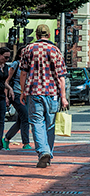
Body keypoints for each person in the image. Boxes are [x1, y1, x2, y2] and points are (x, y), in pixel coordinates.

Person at [20, 24, 69, 168]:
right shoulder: (55, 50)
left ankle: (43, 151)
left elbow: (23, 73)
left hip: (34, 91)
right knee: (50, 124)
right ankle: (48, 153)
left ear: (36, 35)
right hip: (52, 93)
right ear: (49, 35)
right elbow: (61, 77)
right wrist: (64, 96)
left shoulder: (29, 49)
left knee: (36, 123)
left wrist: (23, 91)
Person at [3, 55, 31, 150]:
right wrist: (7, 96)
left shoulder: (29, 64)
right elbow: (7, 80)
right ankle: (26, 143)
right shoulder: (16, 64)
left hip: (26, 96)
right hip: (16, 94)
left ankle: (6, 139)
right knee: (25, 118)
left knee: (20, 121)